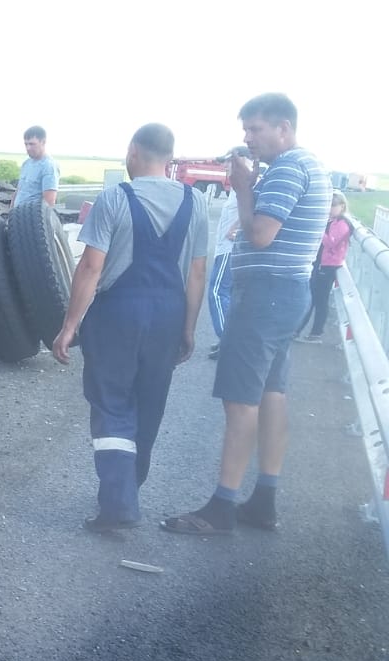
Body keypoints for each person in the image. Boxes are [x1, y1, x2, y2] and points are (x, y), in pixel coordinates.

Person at [162, 93, 332, 535]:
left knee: (241, 401)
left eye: (255, 129)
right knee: (273, 395)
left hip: (266, 296)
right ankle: (264, 500)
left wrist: (242, 188)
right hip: (287, 293)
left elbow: (259, 234)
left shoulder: (287, 168)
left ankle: (221, 507)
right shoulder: (309, 165)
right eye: (246, 129)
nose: (247, 138)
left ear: (284, 128)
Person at [52, 123, 209, 532]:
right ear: (170, 158)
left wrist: (70, 324)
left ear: (133, 151)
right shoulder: (197, 202)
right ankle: (128, 486)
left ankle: (119, 501)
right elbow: (196, 273)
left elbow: (91, 266)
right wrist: (189, 327)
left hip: (118, 313)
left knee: (111, 402)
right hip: (169, 314)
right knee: (149, 402)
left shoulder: (114, 198)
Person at [295, 190, 353, 343]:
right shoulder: (332, 221)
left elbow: (330, 242)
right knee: (313, 298)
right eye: (329, 205)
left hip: (327, 267)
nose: (330, 208)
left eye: (334, 205)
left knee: (317, 300)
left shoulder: (342, 223)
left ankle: (312, 333)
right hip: (321, 265)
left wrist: (319, 227)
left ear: (342, 206)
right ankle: (302, 331)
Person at [207, 148, 248, 360]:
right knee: (229, 296)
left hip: (230, 249)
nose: (226, 167)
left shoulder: (246, 183)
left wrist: (235, 227)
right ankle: (228, 339)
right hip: (226, 248)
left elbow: (253, 205)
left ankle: (229, 342)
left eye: (230, 162)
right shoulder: (238, 185)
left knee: (216, 292)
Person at [13, 126, 60, 207]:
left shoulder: (48, 166)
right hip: (18, 215)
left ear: (43, 142)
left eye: (32, 144)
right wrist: (11, 212)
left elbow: (49, 203)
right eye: (26, 144)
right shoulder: (26, 163)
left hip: (33, 217)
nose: (28, 148)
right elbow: (19, 191)